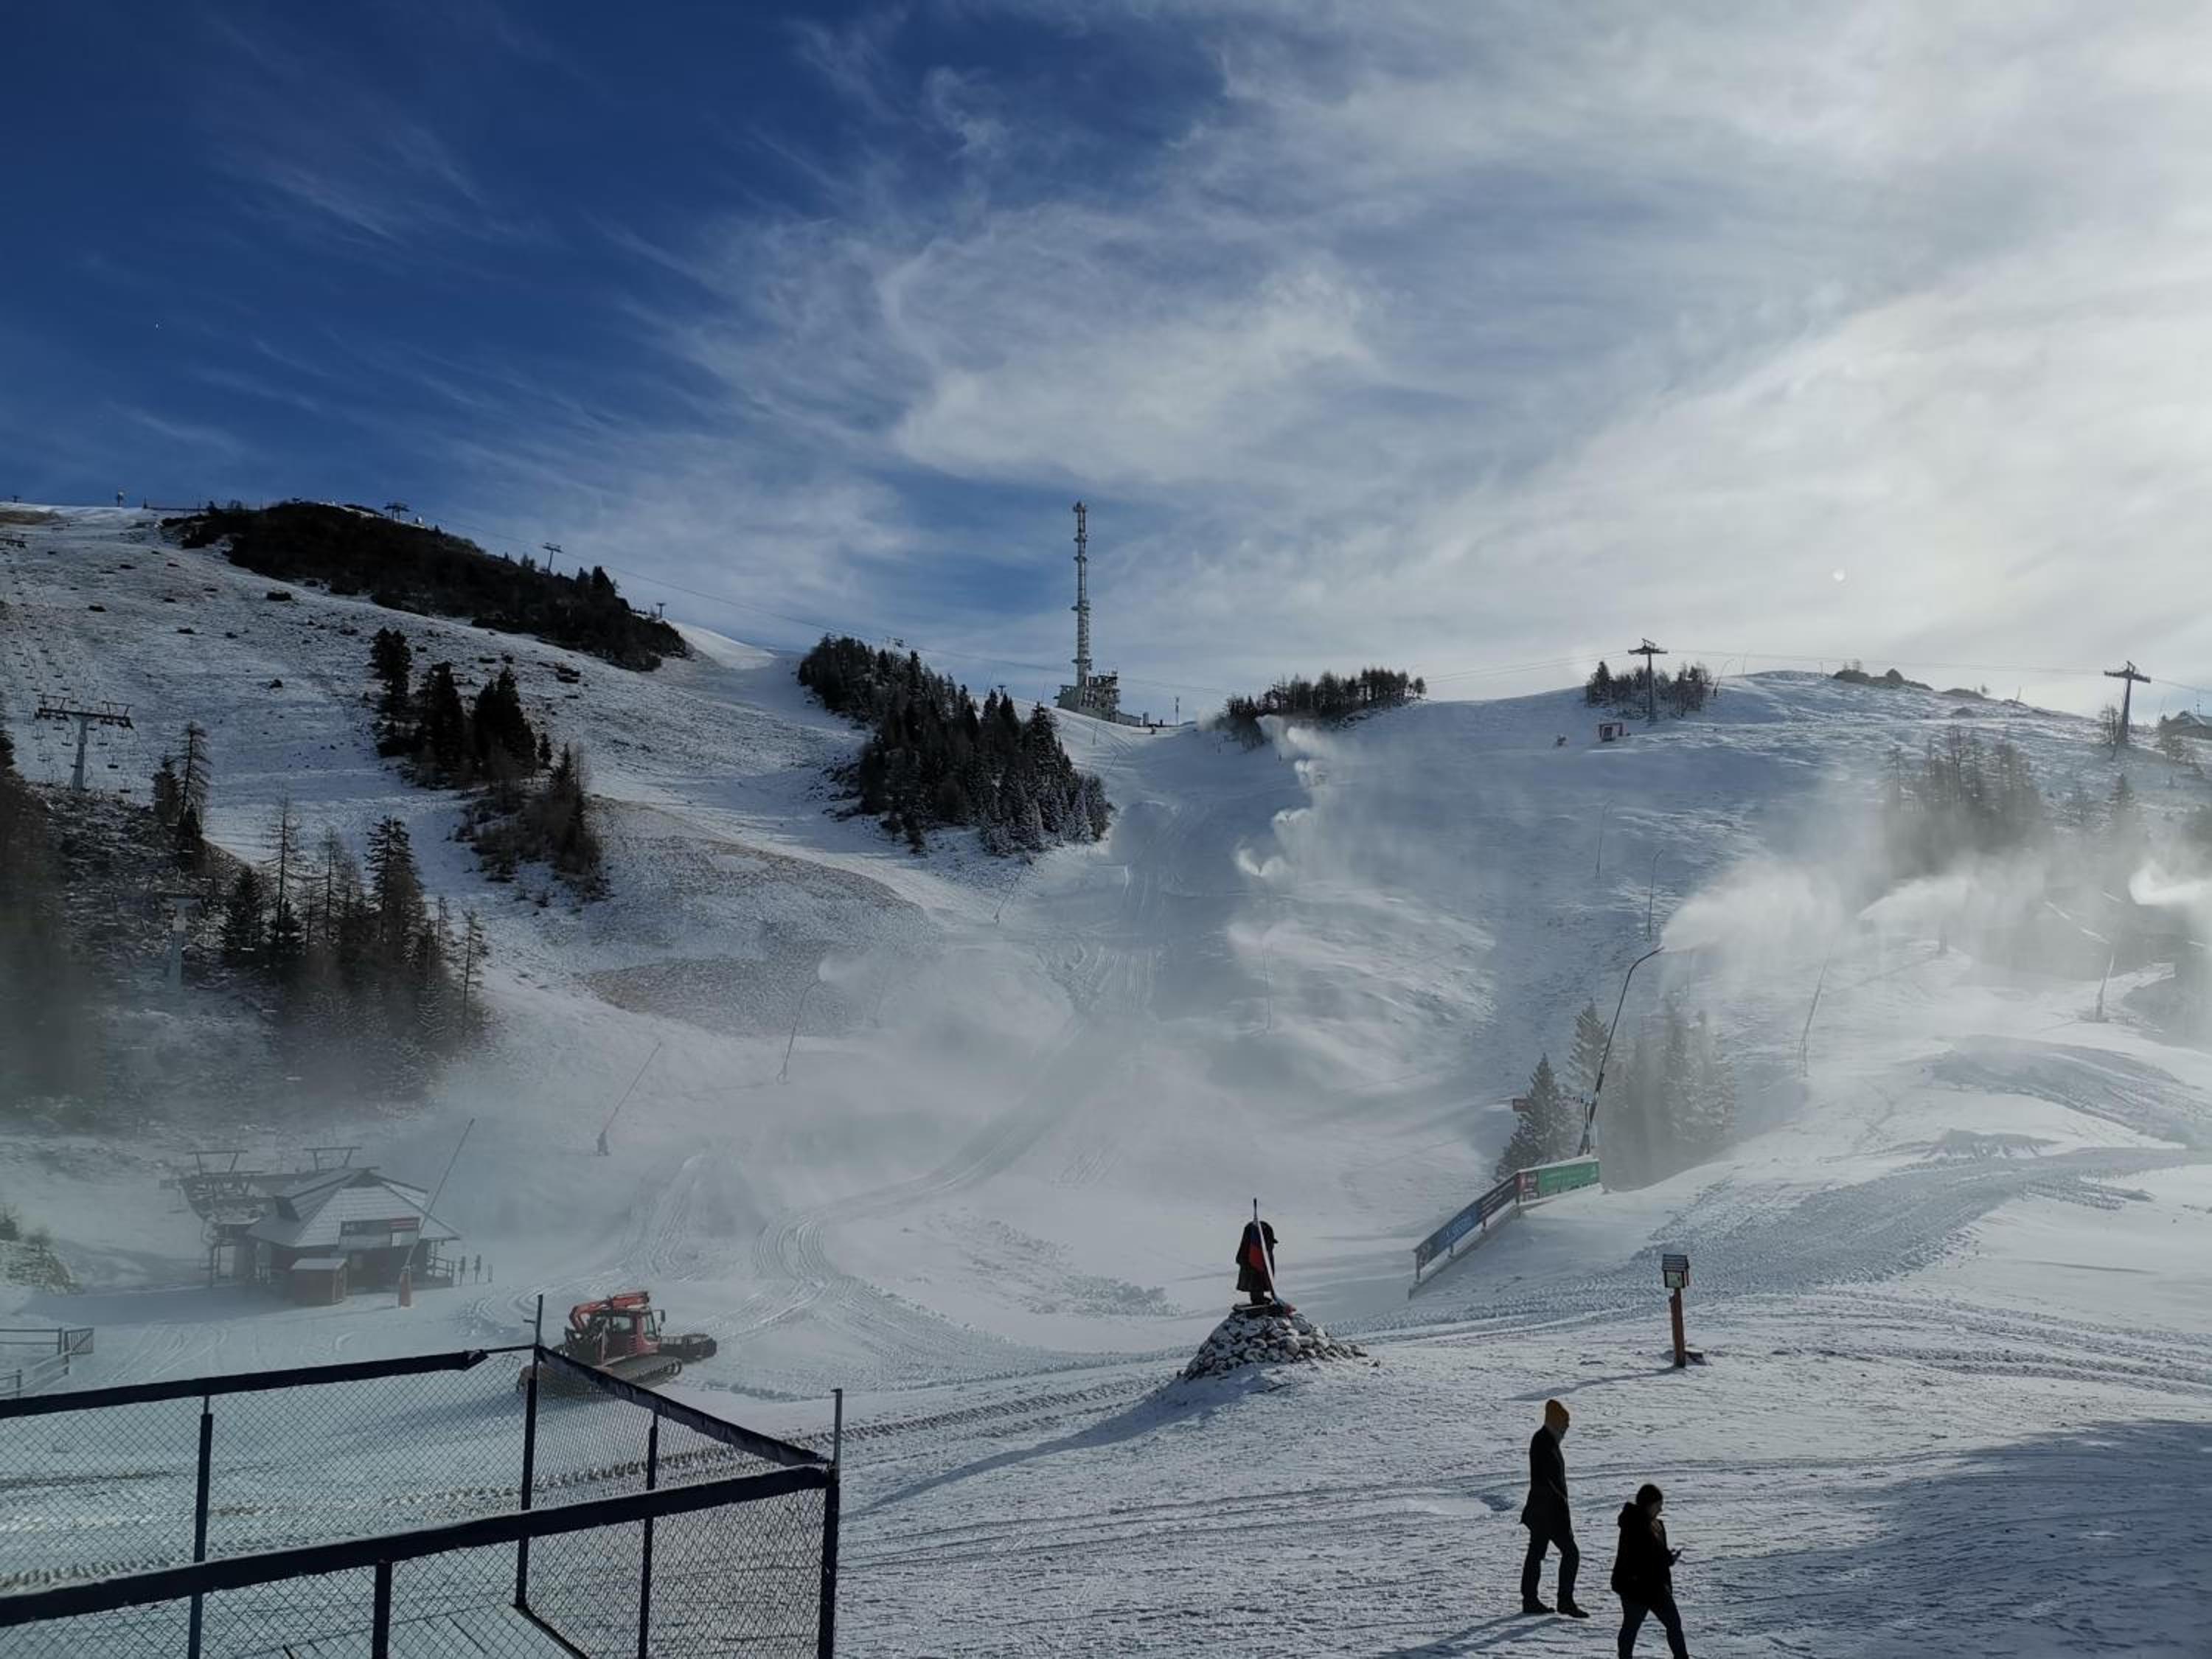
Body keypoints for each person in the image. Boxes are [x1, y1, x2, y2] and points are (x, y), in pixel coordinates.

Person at [1520, 1399, 1587, 1617]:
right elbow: (1547, 1481)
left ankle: (1531, 1600)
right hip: (1549, 1513)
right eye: (1565, 1421)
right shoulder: (1544, 1441)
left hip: (1543, 1512)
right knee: (1570, 1554)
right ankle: (1563, 1601)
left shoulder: (1547, 1440)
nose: (1567, 1426)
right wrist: (1559, 1507)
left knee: (1536, 1553)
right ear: (1555, 1421)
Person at [1611, 1483, 1688, 1658]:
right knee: (1669, 1624)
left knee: (1631, 1628)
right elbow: (1651, 1555)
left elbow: (1654, 1553)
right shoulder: (1638, 1525)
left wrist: (1667, 1556)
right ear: (1649, 1504)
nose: (1661, 1509)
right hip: (1643, 1587)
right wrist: (1670, 1558)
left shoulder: (1644, 1523)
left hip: (1642, 1586)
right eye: (1658, 1505)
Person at [1235, 1217, 1279, 1307]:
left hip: (1256, 1269)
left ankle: (1259, 1299)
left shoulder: (1249, 1251)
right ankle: (1258, 1300)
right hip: (1255, 1271)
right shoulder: (1254, 1254)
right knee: (1256, 1285)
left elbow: (1239, 1259)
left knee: (1257, 1286)